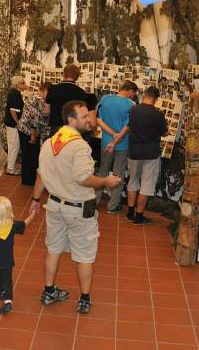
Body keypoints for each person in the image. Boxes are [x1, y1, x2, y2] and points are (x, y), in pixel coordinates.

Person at [30, 100, 121, 314]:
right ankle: (84, 299)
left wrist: (35, 199)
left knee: (53, 249)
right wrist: (106, 181)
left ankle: (49, 291)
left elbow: (41, 175)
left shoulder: (49, 143)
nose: (89, 119)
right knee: (85, 255)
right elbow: (83, 179)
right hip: (79, 209)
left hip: (54, 206)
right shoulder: (80, 146)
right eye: (84, 116)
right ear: (71, 120)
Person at [126, 86, 168, 225]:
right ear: (156, 99)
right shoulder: (158, 114)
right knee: (146, 185)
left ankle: (130, 213)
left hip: (134, 151)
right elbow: (164, 132)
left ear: (144, 95)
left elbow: (130, 126)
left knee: (132, 181)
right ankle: (139, 216)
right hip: (151, 152)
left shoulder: (133, 110)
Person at [96, 81, 139, 213]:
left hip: (105, 142)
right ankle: (112, 206)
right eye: (134, 94)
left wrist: (112, 134)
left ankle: (95, 201)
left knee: (102, 172)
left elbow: (99, 120)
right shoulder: (131, 105)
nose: (133, 96)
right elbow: (127, 127)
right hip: (123, 144)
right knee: (118, 175)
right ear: (130, 91)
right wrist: (117, 137)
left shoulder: (105, 99)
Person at [45, 64, 97, 136]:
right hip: (73, 129)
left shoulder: (52, 89)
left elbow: (47, 111)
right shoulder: (81, 92)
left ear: (64, 74)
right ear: (77, 77)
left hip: (56, 128)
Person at [17, 82, 51, 185]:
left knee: (31, 155)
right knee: (29, 156)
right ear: (44, 90)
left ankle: (29, 179)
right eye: (49, 92)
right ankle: (28, 180)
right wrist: (33, 136)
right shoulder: (36, 99)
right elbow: (34, 119)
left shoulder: (40, 99)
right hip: (27, 130)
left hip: (32, 130)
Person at [4, 76, 26, 175]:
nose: (25, 85)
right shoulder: (15, 94)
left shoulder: (14, 92)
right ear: (18, 85)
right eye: (23, 83)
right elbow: (13, 110)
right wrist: (17, 122)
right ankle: (10, 169)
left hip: (10, 123)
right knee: (14, 146)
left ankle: (10, 167)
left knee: (12, 146)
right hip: (12, 124)